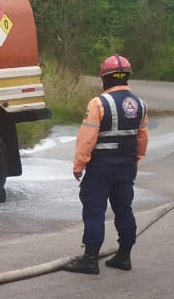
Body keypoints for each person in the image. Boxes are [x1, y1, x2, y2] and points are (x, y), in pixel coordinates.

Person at [64, 54, 149, 275]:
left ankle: (90, 259)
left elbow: (87, 137)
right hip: (126, 167)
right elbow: (142, 138)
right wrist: (136, 160)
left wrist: (78, 165)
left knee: (94, 209)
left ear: (105, 78)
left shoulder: (98, 103)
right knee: (124, 209)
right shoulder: (140, 104)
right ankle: (124, 255)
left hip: (101, 167)